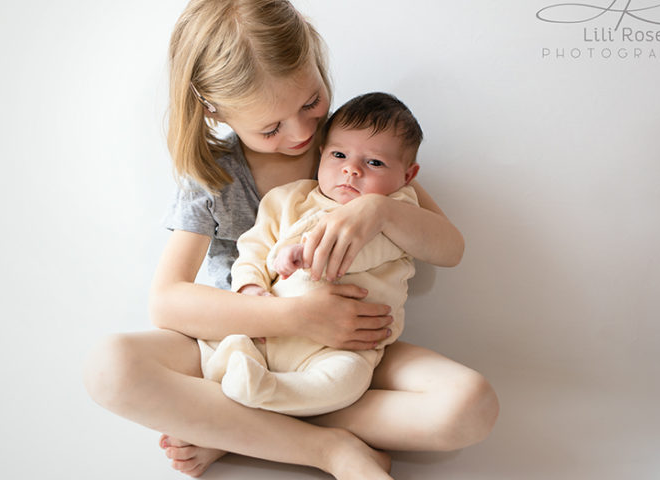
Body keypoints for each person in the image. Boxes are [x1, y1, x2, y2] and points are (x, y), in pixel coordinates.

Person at [83, 1, 499, 479]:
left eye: (310, 102)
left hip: (351, 348)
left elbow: (450, 249)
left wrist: (378, 209)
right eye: (270, 127)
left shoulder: (353, 149)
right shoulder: (213, 176)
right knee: (108, 368)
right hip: (239, 346)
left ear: (315, 57)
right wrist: (295, 317)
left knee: (470, 406)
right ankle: (326, 449)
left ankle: (234, 426)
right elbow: (168, 303)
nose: (303, 132)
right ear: (216, 111)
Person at [203, 92, 425, 417]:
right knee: (219, 341)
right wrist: (251, 288)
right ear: (321, 154)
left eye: (374, 162)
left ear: (407, 175)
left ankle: (271, 392)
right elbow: (253, 248)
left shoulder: (398, 211)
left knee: (347, 380)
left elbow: (373, 249)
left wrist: (309, 253)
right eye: (339, 154)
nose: (351, 170)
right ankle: (239, 376)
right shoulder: (287, 200)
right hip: (272, 328)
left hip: (342, 344)